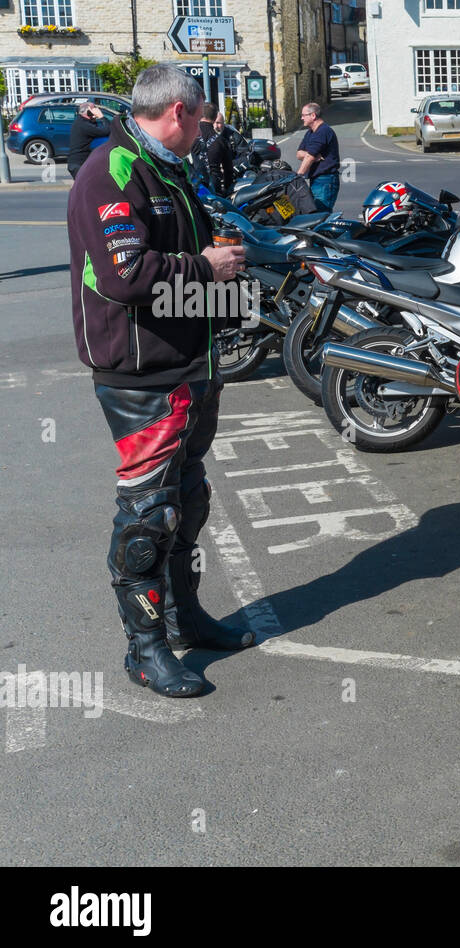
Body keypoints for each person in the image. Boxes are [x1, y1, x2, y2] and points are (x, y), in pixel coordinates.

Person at [67, 65, 254, 699]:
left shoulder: (169, 168)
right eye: (199, 118)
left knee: (189, 499)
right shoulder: (111, 169)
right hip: (139, 373)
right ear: (178, 111)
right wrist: (204, 265)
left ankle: (185, 617)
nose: (205, 129)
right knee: (149, 515)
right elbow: (125, 275)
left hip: (188, 361)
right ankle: (144, 649)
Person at [296, 101, 340, 211]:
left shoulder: (323, 131)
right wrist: (312, 155)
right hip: (316, 179)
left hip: (325, 180)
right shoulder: (310, 133)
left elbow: (309, 158)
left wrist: (298, 176)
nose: (302, 118)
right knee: (314, 212)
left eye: (303, 115)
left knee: (321, 213)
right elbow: (299, 154)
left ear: (313, 115)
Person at [190, 102, 235, 196]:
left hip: (196, 185)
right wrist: (227, 190)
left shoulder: (190, 136)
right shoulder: (221, 141)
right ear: (215, 118)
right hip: (215, 186)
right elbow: (228, 170)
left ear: (199, 115)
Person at [67, 101, 110, 180]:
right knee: (87, 189)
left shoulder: (82, 121)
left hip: (80, 163)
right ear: (88, 111)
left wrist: (93, 118)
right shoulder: (83, 125)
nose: (97, 110)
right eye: (94, 108)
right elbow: (107, 131)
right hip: (79, 165)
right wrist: (101, 116)